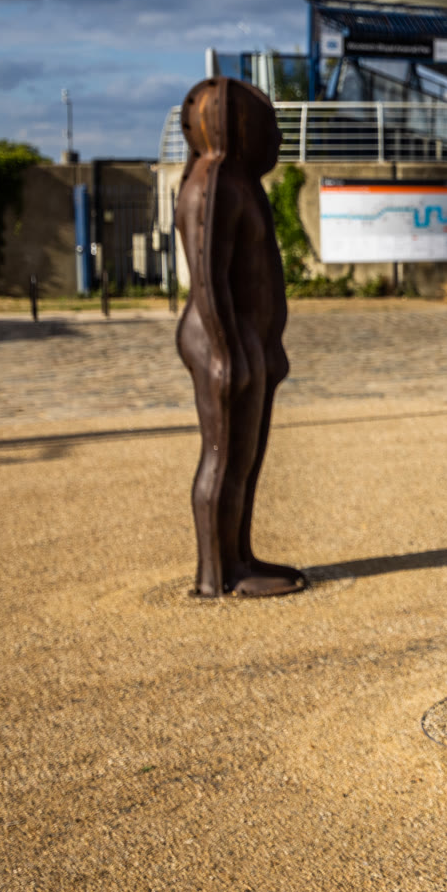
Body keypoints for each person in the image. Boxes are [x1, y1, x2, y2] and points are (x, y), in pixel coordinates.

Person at [174, 77, 305, 598]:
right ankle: (217, 574)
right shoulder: (212, 184)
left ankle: (240, 555)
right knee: (223, 454)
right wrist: (226, 352)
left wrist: (268, 348)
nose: (277, 139)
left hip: (248, 341)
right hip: (223, 340)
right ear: (237, 127)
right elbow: (208, 279)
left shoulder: (240, 183)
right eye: (269, 126)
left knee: (244, 458)